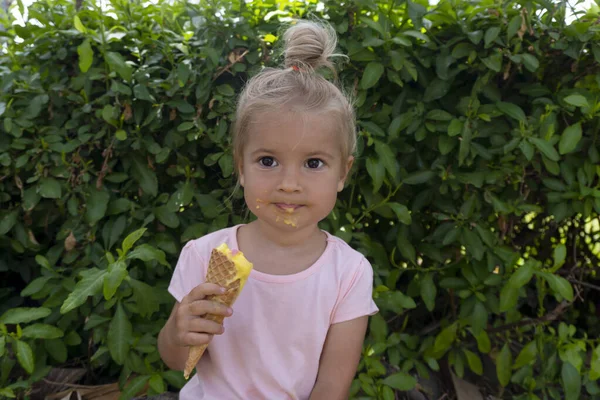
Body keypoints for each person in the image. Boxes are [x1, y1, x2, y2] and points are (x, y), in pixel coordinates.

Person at [158, 19, 379, 400]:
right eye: (267, 161)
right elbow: (177, 360)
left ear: (343, 173)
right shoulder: (204, 255)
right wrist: (179, 332)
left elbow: (331, 386)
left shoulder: (349, 273)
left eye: (313, 163)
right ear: (241, 167)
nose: (288, 183)